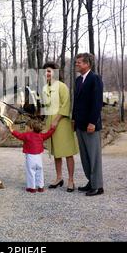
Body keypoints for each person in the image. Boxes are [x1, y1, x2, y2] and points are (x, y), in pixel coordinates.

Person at [42, 62, 79, 192]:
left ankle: (71, 180)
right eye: (45, 71)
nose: (46, 73)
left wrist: (56, 120)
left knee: (67, 152)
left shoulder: (62, 87)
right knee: (56, 152)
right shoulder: (45, 88)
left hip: (61, 123)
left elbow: (66, 105)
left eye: (49, 71)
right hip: (50, 122)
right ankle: (59, 178)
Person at [72, 53, 104, 196]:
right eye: (76, 62)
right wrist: (74, 119)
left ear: (87, 64)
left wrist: (92, 122)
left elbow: (97, 103)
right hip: (79, 124)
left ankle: (98, 186)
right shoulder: (79, 80)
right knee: (85, 156)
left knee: (94, 156)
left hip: (90, 125)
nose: (76, 64)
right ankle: (91, 182)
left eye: (79, 62)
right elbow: (76, 102)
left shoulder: (94, 79)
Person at [9, 119, 56, 193]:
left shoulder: (26, 135)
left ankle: (32, 187)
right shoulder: (41, 135)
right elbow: (48, 134)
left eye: (26, 127)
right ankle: (41, 187)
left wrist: (12, 130)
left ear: (31, 128)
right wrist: (52, 129)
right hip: (39, 157)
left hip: (30, 157)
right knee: (39, 172)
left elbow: (19, 135)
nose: (25, 128)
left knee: (31, 172)